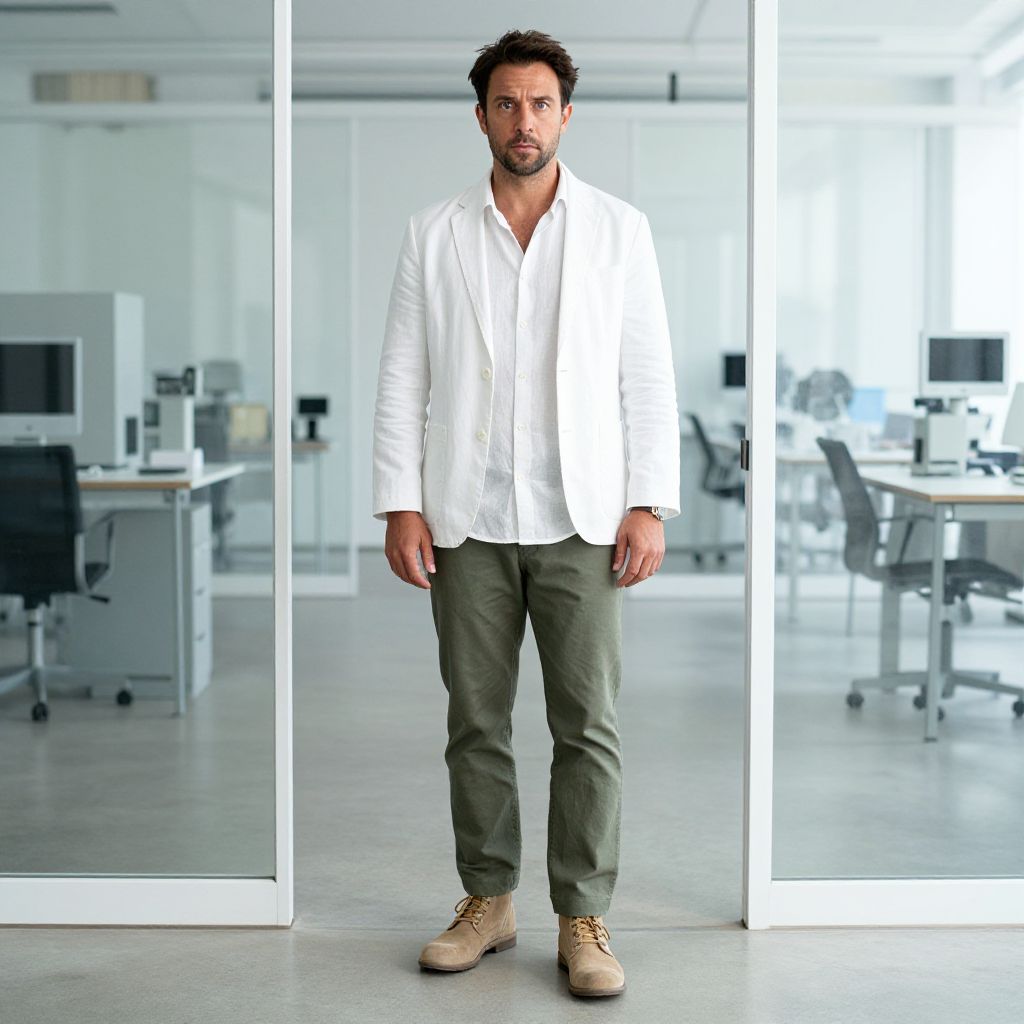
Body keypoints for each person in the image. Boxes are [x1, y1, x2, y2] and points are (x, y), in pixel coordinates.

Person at [371, 28, 680, 999]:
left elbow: (646, 376)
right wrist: (400, 503)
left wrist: (648, 502)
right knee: (476, 720)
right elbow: (403, 377)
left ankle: (582, 916)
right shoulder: (434, 232)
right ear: (481, 117)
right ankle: (489, 899)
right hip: (466, 518)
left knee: (587, 723)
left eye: (540, 103)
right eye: (506, 103)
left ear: (565, 115)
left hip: (582, 518)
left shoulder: (618, 230)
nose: (524, 120)